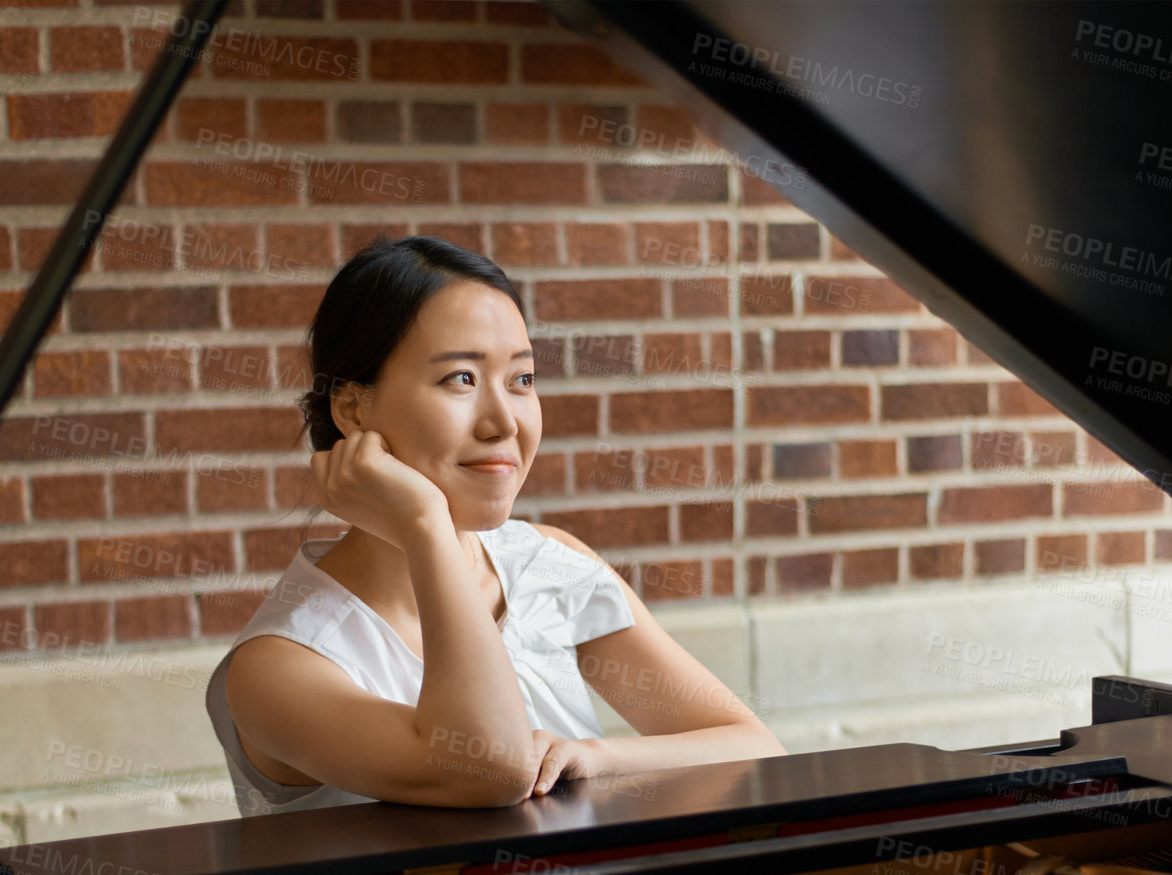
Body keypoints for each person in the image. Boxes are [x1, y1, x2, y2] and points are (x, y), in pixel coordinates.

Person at [205, 236, 785, 816]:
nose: (504, 422)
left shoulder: (545, 564)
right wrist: (425, 526)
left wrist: (593, 757)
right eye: (461, 378)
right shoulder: (280, 666)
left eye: (522, 379)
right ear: (354, 409)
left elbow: (754, 748)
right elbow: (492, 769)